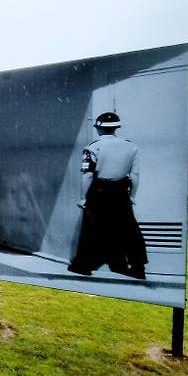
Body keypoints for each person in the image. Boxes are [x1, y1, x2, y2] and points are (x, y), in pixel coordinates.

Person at [67, 112, 148, 279]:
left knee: (91, 230)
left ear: (98, 128)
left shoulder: (92, 148)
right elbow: (135, 175)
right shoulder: (131, 147)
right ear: (116, 128)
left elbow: (87, 175)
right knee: (130, 230)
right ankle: (138, 267)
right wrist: (132, 195)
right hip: (120, 192)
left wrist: (83, 198)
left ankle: (83, 266)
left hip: (99, 192)